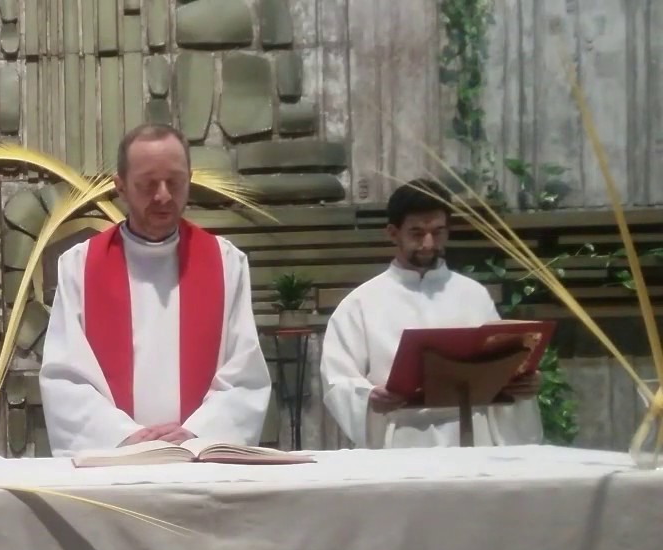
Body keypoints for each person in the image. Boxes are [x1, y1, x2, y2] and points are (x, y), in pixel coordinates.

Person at [39, 124, 272, 455]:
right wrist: (127, 437)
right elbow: (65, 379)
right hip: (116, 462)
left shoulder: (226, 262)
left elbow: (244, 375)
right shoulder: (80, 265)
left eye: (175, 183)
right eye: (148, 184)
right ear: (120, 187)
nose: (163, 195)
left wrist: (195, 432)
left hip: (200, 462)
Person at [319, 179, 543, 449]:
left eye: (438, 232)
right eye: (417, 232)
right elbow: (337, 379)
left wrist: (521, 384)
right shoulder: (360, 303)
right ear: (393, 233)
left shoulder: (474, 295)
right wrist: (369, 397)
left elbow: (500, 367)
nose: (428, 243)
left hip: (473, 438)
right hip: (401, 436)